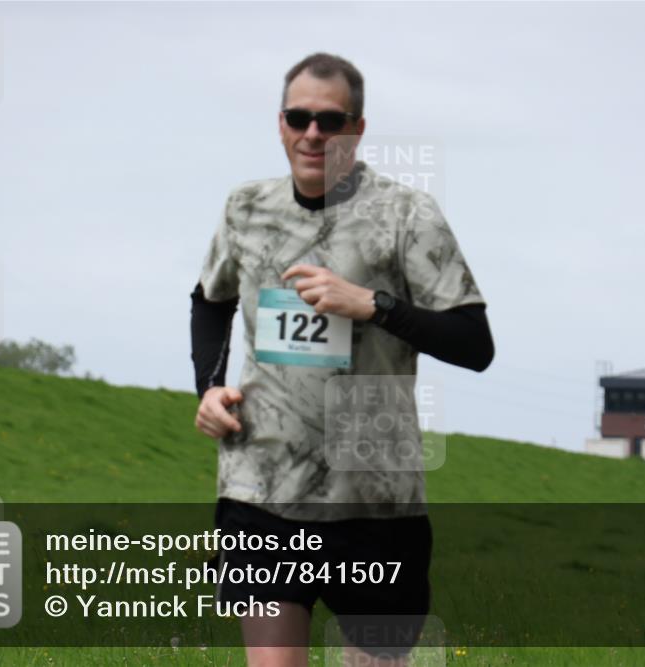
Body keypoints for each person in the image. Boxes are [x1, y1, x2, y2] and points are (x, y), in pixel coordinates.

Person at [190, 53, 494, 667]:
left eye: (330, 121)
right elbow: (209, 300)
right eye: (298, 118)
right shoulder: (244, 209)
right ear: (280, 123)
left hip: (375, 501)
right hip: (263, 487)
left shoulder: (407, 216)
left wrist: (373, 305)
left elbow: (473, 343)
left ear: (357, 128)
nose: (312, 134)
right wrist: (210, 386)